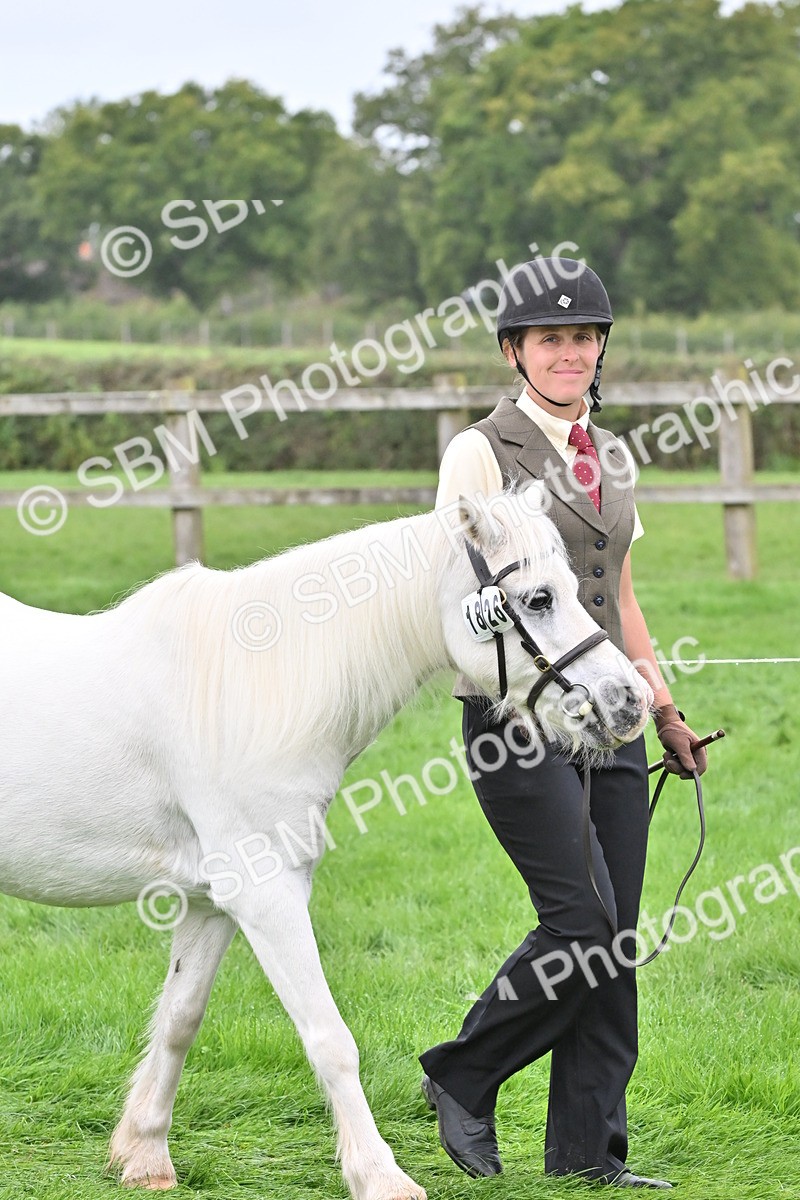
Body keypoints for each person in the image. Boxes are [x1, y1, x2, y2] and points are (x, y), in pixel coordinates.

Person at [418, 257, 707, 1189]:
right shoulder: (481, 452)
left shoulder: (612, 455)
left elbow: (620, 594)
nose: (571, 352)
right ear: (515, 351)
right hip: (519, 721)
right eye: (551, 338)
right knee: (580, 924)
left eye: (584, 338)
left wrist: (663, 708)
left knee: (614, 943)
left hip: (614, 716)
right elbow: (452, 599)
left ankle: (590, 1155)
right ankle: (462, 1074)